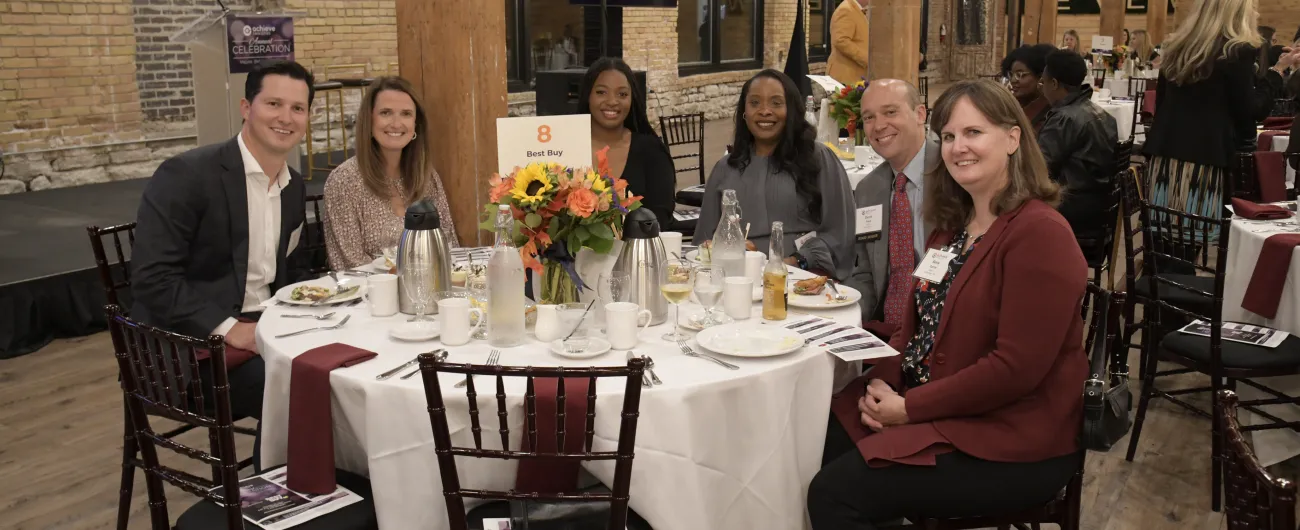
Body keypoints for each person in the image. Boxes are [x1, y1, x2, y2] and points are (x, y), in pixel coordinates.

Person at [806, 79, 1087, 529]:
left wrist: (908, 409)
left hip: (1009, 436)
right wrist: (882, 384)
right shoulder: (954, 227)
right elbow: (911, 331)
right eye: (951, 136)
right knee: (805, 444)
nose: (958, 148)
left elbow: (1014, 369)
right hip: (933, 400)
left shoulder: (1039, 234)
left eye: (974, 133)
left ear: (1013, 138)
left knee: (835, 495)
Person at [131, 60, 315, 428]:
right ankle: (282, 485)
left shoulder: (293, 188)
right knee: (302, 389)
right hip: (191, 350)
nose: (286, 117)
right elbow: (152, 278)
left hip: (266, 331)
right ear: (247, 108)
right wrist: (232, 328)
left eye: (298, 108)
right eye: (273, 104)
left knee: (351, 365)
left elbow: (288, 272)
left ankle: (337, 482)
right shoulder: (187, 176)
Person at [694, 70, 856, 280]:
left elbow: (839, 232)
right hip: (738, 280)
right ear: (744, 112)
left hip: (804, 277)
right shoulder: (725, 168)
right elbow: (704, 242)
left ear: (792, 110)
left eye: (776, 103)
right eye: (754, 103)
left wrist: (790, 263)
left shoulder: (819, 158)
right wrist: (726, 250)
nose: (764, 111)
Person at [1144, 0, 1263, 221]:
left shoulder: (1177, 46)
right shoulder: (1237, 50)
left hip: (1165, 154)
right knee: (1194, 236)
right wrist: (1273, 75)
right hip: (1205, 158)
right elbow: (1248, 111)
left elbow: (1161, 104)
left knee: (1163, 233)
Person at [323, 76, 458, 271]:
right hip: (371, 297)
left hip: (431, 290)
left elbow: (449, 245)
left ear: (415, 125)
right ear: (369, 121)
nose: (396, 123)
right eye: (386, 113)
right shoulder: (344, 181)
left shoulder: (428, 178)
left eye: (406, 114)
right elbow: (349, 267)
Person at [846, 79, 940, 338]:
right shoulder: (868, 189)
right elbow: (866, 273)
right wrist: (845, 321)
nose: (878, 126)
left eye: (890, 112)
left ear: (920, 114)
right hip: (884, 329)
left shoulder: (952, 173)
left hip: (943, 327)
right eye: (869, 117)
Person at [576, 58, 676, 229]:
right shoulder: (564, 145)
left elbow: (661, 221)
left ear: (632, 99)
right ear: (587, 96)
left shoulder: (651, 151)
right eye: (601, 92)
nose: (612, 101)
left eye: (622, 94)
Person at [1037, 50, 1118, 251]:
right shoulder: (1102, 114)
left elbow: (1039, 167)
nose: (1042, 88)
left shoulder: (1064, 118)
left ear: (1054, 84)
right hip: (1100, 206)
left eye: (1043, 82)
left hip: (1073, 208)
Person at [1004, 44, 1055, 132]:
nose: (1013, 80)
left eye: (1020, 75)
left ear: (1041, 77)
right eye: (1011, 75)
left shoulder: (1050, 117)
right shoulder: (1012, 106)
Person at [827, 0, 870, 86]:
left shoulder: (857, 10)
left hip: (854, 77)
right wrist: (867, 59)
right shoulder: (846, 9)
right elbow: (841, 41)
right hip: (844, 77)